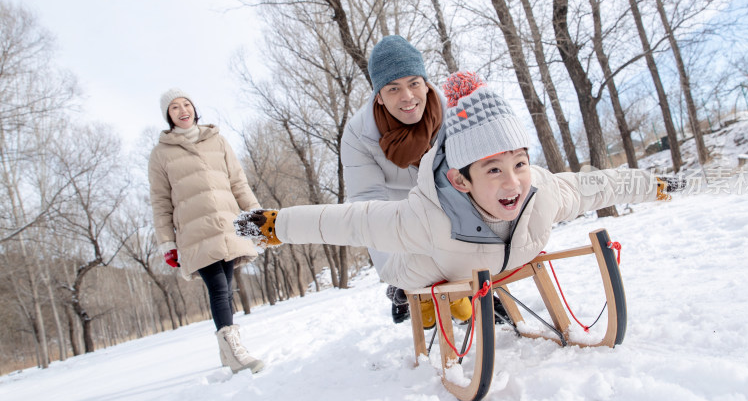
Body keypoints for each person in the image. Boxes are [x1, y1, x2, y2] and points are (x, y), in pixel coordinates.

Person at [235, 72, 680, 327]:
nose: (513, 183)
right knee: (410, 273)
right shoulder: (428, 218)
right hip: (433, 262)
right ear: (462, 180)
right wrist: (276, 225)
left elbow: (599, 186)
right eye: (493, 170)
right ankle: (416, 297)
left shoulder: (541, 195)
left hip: (491, 259)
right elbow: (351, 220)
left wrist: (654, 185)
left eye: (519, 164)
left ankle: (465, 297)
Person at [148, 88, 265, 374]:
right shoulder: (160, 154)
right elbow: (160, 201)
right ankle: (235, 351)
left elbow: (239, 183)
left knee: (225, 290)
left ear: (194, 108)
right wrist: (167, 242)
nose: (182, 109)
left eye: (186, 103)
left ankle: (227, 352)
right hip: (194, 232)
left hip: (227, 225)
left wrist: (260, 221)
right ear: (168, 115)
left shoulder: (218, 140)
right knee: (218, 288)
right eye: (174, 107)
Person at [341, 35, 446, 323]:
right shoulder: (358, 136)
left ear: (425, 83)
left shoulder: (453, 113)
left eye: (414, 83)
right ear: (378, 96)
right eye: (393, 88)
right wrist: (399, 275)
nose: (408, 97)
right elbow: (368, 209)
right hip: (397, 210)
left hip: (449, 195)